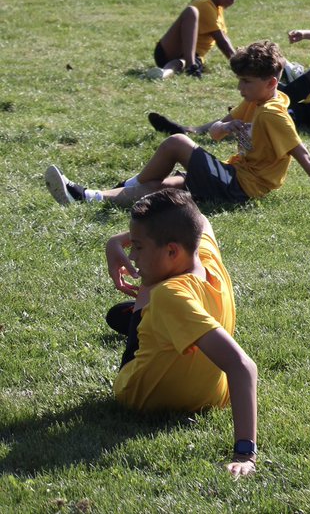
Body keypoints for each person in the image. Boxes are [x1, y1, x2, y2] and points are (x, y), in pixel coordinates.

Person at [45, 40, 310, 207]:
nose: (240, 88)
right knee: (163, 187)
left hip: (242, 187)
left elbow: (304, 156)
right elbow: (215, 131)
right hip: (232, 175)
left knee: (177, 142)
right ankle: (86, 196)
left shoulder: (273, 113)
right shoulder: (253, 102)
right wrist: (225, 127)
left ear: (271, 83)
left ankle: (118, 187)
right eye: (239, 80)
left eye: (246, 82)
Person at [101, 189, 259, 477]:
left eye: (138, 247)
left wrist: (245, 454)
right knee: (135, 302)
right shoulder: (206, 255)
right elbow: (200, 221)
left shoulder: (168, 294)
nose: (132, 256)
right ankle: (148, 320)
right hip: (213, 396)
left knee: (149, 288)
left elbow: (243, 365)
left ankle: (142, 315)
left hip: (139, 396)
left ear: (172, 251)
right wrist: (117, 241)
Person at [148, 0, 243, 80]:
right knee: (191, 11)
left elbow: (224, 37)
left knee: (179, 63)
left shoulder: (218, 8)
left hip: (191, 57)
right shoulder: (204, 3)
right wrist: (239, 64)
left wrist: (239, 57)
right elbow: (221, 40)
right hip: (170, 51)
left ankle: (163, 73)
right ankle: (190, 65)